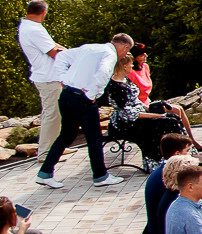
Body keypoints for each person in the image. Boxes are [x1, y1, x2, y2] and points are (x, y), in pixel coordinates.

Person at [37, 32, 132, 189]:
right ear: (125, 47)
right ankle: (100, 176)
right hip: (82, 98)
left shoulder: (89, 47)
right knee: (94, 138)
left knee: (66, 135)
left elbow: (61, 57)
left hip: (67, 95)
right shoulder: (110, 55)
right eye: (127, 51)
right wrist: (90, 95)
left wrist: (64, 79)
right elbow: (103, 73)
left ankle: (45, 173)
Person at [17, 0, 68, 162]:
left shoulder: (28, 26)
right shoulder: (34, 29)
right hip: (48, 78)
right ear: (44, 12)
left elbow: (54, 46)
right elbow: (53, 52)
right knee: (52, 115)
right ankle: (46, 154)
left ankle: (56, 147)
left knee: (54, 114)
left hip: (47, 76)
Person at [123, 44, 195, 140]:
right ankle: (179, 140)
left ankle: (190, 139)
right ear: (134, 58)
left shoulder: (145, 67)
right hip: (139, 105)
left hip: (148, 102)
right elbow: (131, 95)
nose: (145, 56)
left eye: (145, 53)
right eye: (141, 55)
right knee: (175, 110)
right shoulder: (131, 73)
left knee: (179, 108)